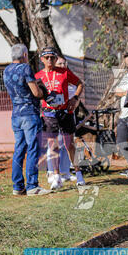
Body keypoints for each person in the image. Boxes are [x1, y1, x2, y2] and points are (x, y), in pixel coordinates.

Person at [35, 47, 85, 189]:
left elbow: (80, 83)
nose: (50, 60)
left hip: (65, 112)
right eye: (47, 57)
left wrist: (74, 98)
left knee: (69, 144)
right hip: (49, 113)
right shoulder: (38, 75)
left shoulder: (64, 72)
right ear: (42, 59)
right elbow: (35, 93)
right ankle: (56, 177)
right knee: (53, 145)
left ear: (56, 59)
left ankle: (78, 173)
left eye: (52, 57)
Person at [3, 44, 50, 195]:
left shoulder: (6, 70)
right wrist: (43, 90)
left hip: (16, 114)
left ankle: (17, 186)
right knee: (32, 148)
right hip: (30, 113)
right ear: (24, 54)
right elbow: (36, 93)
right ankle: (32, 186)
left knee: (19, 149)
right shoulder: (25, 68)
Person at [45, 55, 77, 183]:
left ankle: (65, 172)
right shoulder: (51, 80)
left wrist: (74, 104)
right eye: (60, 63)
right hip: (53, 115)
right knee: (54, 144)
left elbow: (76, 96)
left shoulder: (69, 79)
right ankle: (52, 172)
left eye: (64, 63)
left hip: (68, 114)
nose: (63, 66)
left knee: (67, 144)